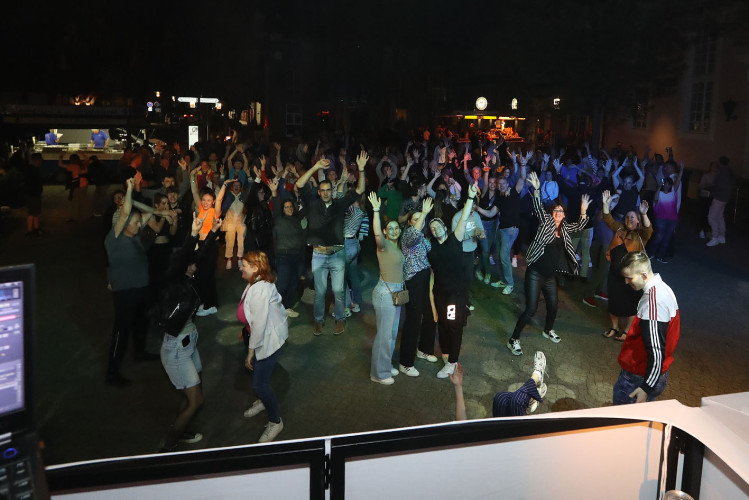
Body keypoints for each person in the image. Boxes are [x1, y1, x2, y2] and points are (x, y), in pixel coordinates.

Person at [506, 172, 590, 356]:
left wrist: (583, 211)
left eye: (561, 211)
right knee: (531, 309)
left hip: (550, 276)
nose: (558, 214)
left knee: (553, 306)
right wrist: (536, 189)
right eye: (555, 211)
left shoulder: (566, 229)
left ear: (564, 214)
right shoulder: (546, 223)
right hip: (535, 273)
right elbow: (537, 208)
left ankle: (547, 330)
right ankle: (513, 339)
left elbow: (579, 226)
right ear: (552, 213)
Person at [158, 213, 221, 452]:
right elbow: (183, 258)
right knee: (197, 400)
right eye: (191, 262)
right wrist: (193, 234)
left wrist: (212, 232)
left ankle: (180, 427)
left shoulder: (189, 277)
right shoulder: (173, 282)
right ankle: (170, 443)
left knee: (191, 393)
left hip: (188, 342)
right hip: (176, 349)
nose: (196, 265)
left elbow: (200, 255)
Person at [295, 152, 366, 336]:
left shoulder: (340, 204)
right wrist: (316, 167)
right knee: (320, 292)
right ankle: (318, 321)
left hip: (337, 254)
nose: (326, 192)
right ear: (319, 192)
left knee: (338, 290)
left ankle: (340, 319)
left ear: (332, 191)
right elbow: (300, 184)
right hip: (318, 254)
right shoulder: (312, 203)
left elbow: (360, 190)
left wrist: (361, 169)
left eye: (328, 190)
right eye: (323, 190)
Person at [103, 178, 159, 386]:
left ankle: (140, 352)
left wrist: (134, 203)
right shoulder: (115, 238)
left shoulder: (133, 233)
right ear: (124, 223)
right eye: (135, 222)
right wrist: (128, 191)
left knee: (141, 323)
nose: (139, 224)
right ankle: (112, 372)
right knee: (122, 330)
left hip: (140, 288)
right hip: (125, 291)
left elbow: (150, 212)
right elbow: (126, 213)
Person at [613, 251, 680, 404]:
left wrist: (646, 388)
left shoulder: (653, 303)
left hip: (639, 377)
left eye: (629, 278)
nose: (626, 282)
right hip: (652, 375)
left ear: (643, 275)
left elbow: (656, 351)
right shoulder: (663, 289)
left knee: (620, 422)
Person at [428, 183, 478, 379]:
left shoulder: (453, 240)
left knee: (453, 325)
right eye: (432, 228)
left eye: (437, 225)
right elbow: (432, 273)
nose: (435, 229)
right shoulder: (432, 249)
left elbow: (464, 217)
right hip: (439, 293)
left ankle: (452, 362)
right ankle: (447, 354)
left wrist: (471, 197)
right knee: (442, 324)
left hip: (453, 296)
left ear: (444, 227)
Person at [239, 251, 289, 443]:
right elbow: (251, 313)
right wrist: (245, 327)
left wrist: (250, 352)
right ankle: (263, 401)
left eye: (244, 265)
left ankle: (275, 421)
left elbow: (259, 324)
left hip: (266, 340)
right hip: (257, 336)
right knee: (259, 378)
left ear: (256, 268)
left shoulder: (260, 289)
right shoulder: (256, 282)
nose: (240, 268)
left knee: (260, 383)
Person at [600, 191, 652, 342]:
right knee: (614, 300)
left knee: (631, 302)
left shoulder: (641, 235)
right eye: (627, 217)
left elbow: (649, 229)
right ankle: (614, 327)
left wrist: (643, 213)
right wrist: (605, 204)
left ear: (637, 221)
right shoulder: (619, 229)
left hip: (632, 275)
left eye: (633, 217)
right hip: (615, 272)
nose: (629, 219)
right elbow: (607, 218)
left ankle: (627, 330)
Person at [368, 193, 406, 384]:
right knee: (384, 336)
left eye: (396, 227)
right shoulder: (382, 246)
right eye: (389, 228)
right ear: (384, 231)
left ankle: (386, 365)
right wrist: (376, 210)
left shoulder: (398, 247)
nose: (393, 230)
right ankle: (378, 374)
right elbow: (376, 233)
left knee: (391, 334)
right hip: (385, 294)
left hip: (396, 293)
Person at [398, 197, 437, 374]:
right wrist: (425, 214)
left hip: (426, 278)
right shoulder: (407, 236)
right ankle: (405, 362)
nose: (420, 222)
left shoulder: (424, 238)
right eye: (416, 219)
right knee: (413, 320)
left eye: (422, 219)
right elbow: (414, 233)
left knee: (430, 315)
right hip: (413, 280)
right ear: (409, 222)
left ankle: (424, 349)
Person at [449, 351, 548, 420]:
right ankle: (537, 374)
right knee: (517, 400)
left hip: (496, 437)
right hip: (512, 446)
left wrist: (458, 386)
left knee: (500, 398)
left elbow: (461, 425)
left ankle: (530, 399)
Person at [270, 180, 306, 317]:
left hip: (297, 257)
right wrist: (274, 192)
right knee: (283, 284)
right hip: (284, 256)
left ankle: (286, 307)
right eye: (286, 207)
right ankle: (273, 309)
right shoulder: (279, 219)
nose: (289, 209)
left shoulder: (296, 220)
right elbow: (277, 206)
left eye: (291, 206)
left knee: (293, 283)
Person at [706, 156, 734, 247]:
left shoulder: (722, 172)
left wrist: (713, 193)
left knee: (711, 217)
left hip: (719, 197)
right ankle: (722, 236)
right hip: (725, 198)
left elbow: (718, 185)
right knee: (719, 217)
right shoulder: (729, 172)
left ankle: (715, 237)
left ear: (720, 163)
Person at [24, 153, 43, 236]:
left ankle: (36, 228)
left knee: (35, 212)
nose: (41, 162)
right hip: (32, 194)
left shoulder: (33, 169)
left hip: (34, 193)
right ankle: (30, 230)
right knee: (32, 212)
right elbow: (32, 183)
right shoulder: (32, 170)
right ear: (36, 160)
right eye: (40, 160)